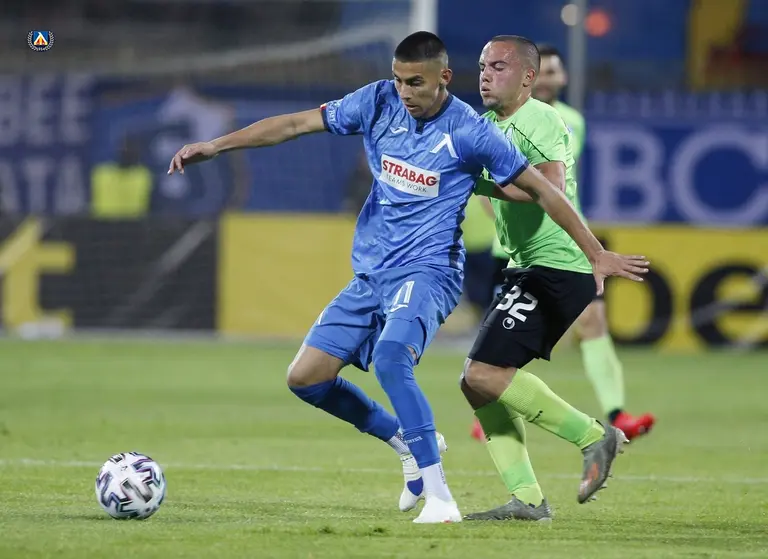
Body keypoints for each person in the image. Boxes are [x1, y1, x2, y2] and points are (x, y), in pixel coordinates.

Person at [168, 31, 646, 524]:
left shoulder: (494, 126)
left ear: (444, 78)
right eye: (398, 80)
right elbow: (294, 123)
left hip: (495, 266)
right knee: (326, 378)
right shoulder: (391, 104)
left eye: (414, 82)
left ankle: (565, 448)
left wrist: (595, 252)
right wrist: (216, 145)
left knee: (443, 367)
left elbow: (545, 188)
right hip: (398, 269)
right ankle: (511, 491)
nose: (404, 92)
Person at [461, 36, 648, 522]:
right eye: (482, 66)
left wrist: (475, 181)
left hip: (557, 265)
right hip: (526, 264)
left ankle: (595, 436)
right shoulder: (487, 125)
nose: (485, 75)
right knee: (476, 383)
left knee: (484, 375)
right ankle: (526, 500)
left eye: (498, 66)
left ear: (528, 77)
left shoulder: (539, 119)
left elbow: (546, 188)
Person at [534, 43, 655, 439]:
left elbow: (562, 183)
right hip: (521, 245)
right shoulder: (509, 120)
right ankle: (492, 396)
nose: (546, 79)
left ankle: (617, 414)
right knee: (517, 330)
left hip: (570, 239)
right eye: (540, 71)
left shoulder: (573, 122)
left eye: (552, 71)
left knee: (593, 319)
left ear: (563, 77)